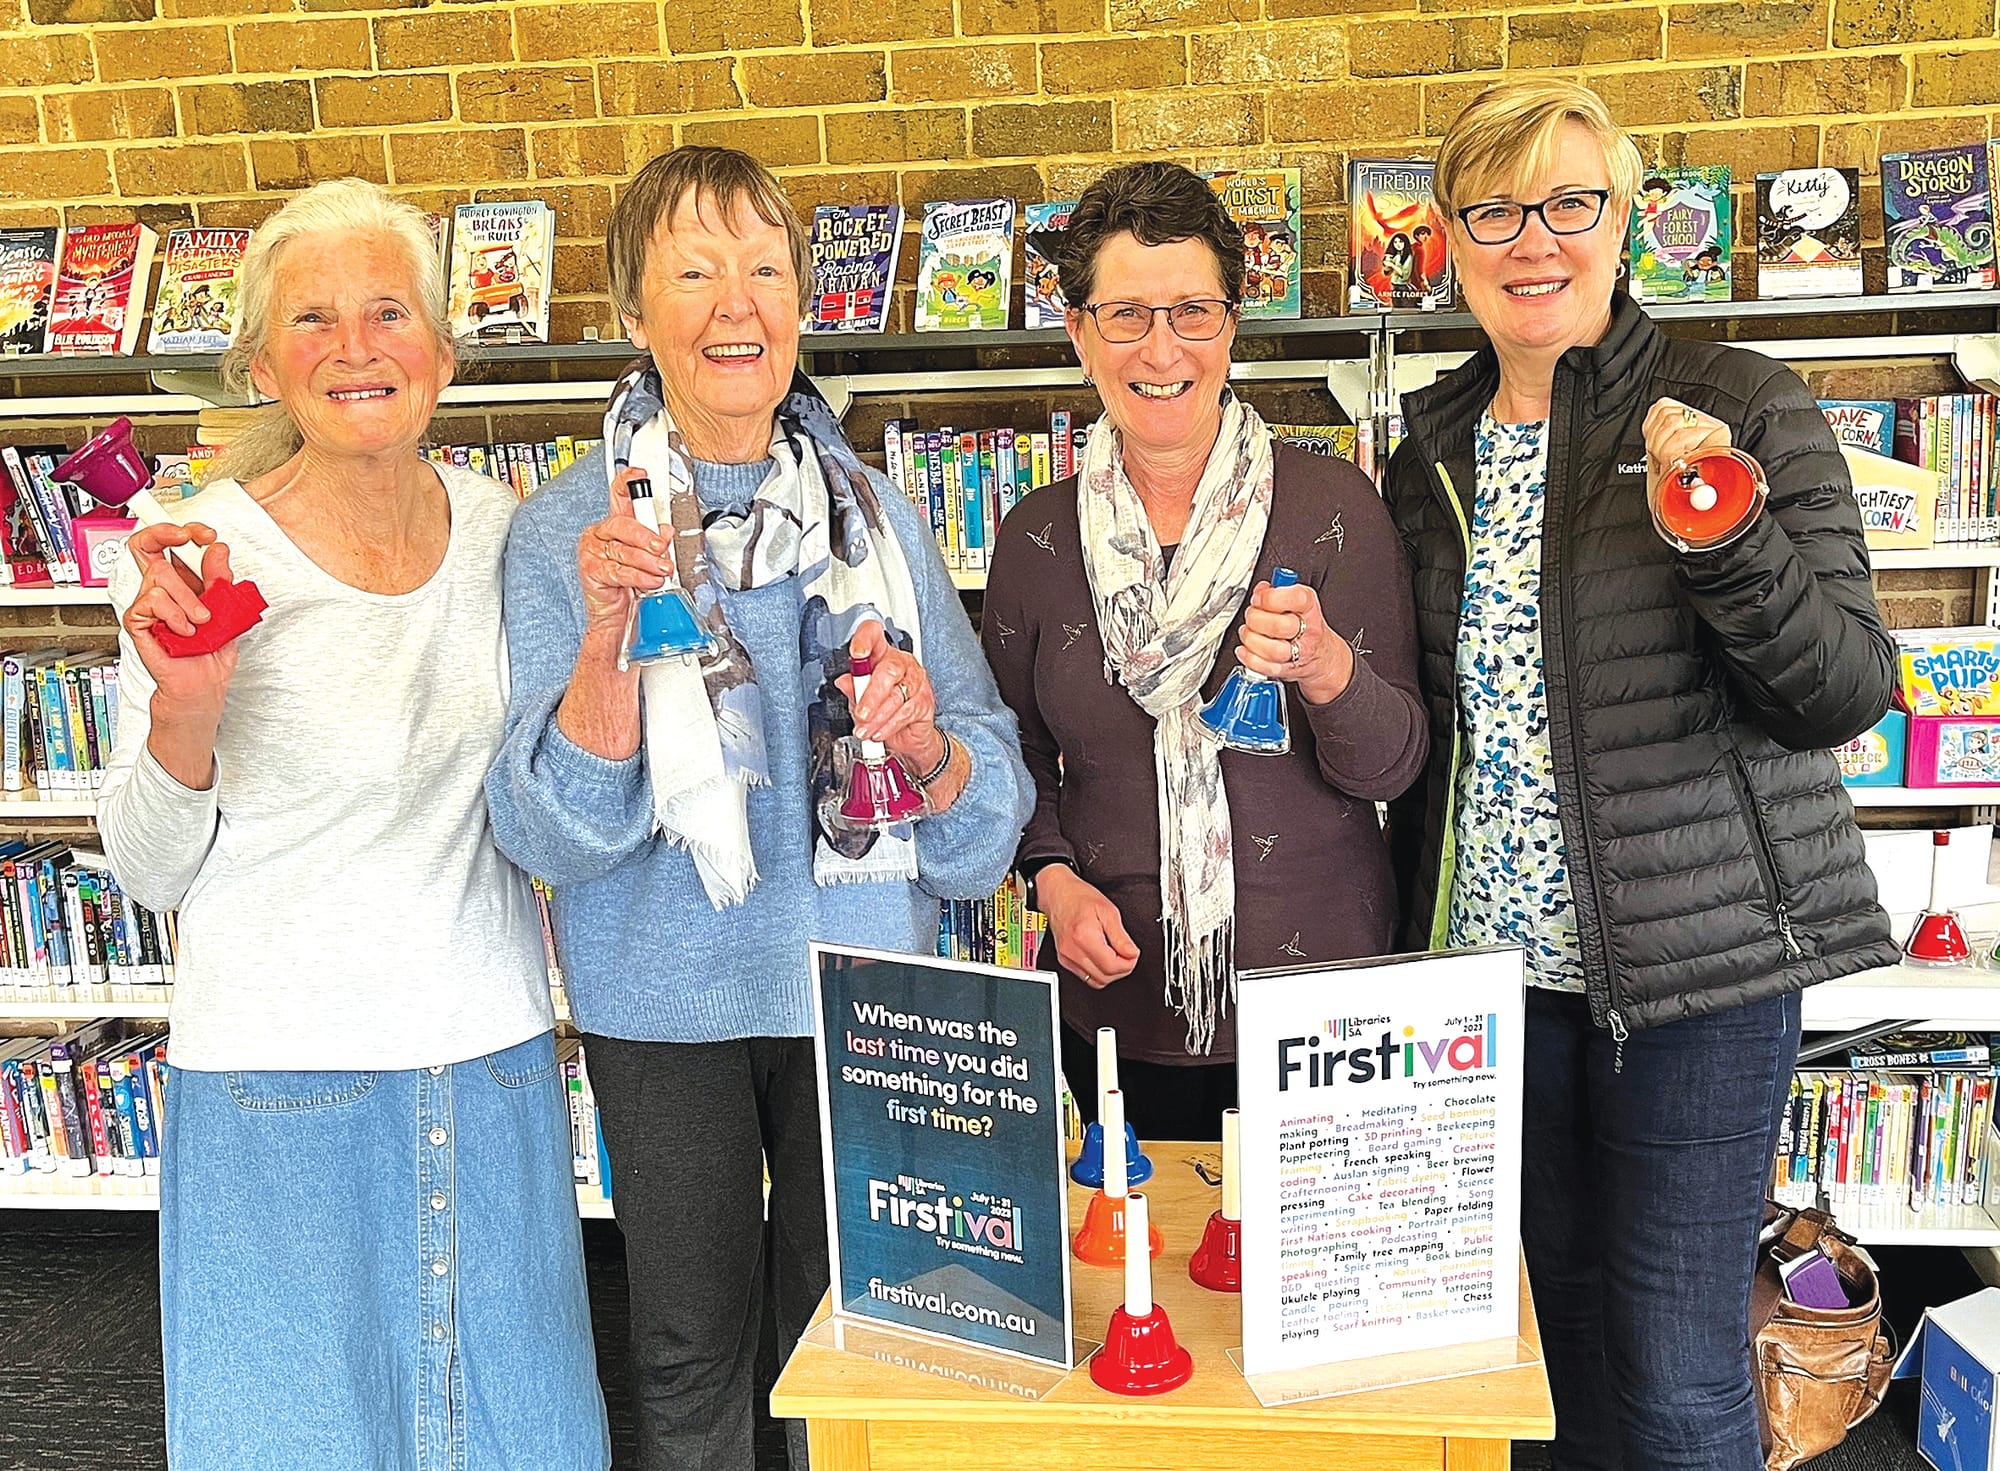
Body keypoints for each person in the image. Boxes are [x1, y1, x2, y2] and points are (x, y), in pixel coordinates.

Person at [485, 145, 1033, 1471]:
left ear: (802, 301)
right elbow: (549, 833)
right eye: (695, 270)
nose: (739, 303)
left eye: (765, 268)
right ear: (634, 315)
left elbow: (985, 825)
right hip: (663, 1003)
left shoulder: (881, 524)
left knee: (849, 1340)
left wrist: (929, 745)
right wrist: (607, 643)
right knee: (689, 1351)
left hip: (863, 994)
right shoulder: (572, 530)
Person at [1383, 79, 1898, 1470]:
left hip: (1699, 976)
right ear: (1449, 236)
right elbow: (1429, 732)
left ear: (1625, 219)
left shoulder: (1738, 400)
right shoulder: (1425, 448)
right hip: (1496, 988)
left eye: (1568, 200)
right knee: (1540, 1348)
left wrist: (1723, 535)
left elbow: (1843, 693)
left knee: (1675, 1372)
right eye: (1493, 206)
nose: (1530, 237)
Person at [97, 178, 608, 1471]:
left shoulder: (515, 538)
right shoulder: (193, 558)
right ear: (264, 360)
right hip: (278, 1084)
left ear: (443, 347)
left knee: (517, 1437)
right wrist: (187, 709)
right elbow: (150, 868)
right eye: (313, 318)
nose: (356, 344)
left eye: (390, 310)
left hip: (489, 1057)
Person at [983, 161, 1427, 1143]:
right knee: (1137, 1280)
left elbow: (1393, 763)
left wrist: (1323, 668)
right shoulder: (1035, 540)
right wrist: (1052, 882)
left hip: (1323, 1020)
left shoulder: (1333, 508)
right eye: (1125, 314)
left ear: (1230, 324)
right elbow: (1010, 756)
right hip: (1114, 1013)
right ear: (1079, 333)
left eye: (1191, 310)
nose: (1160, 347)